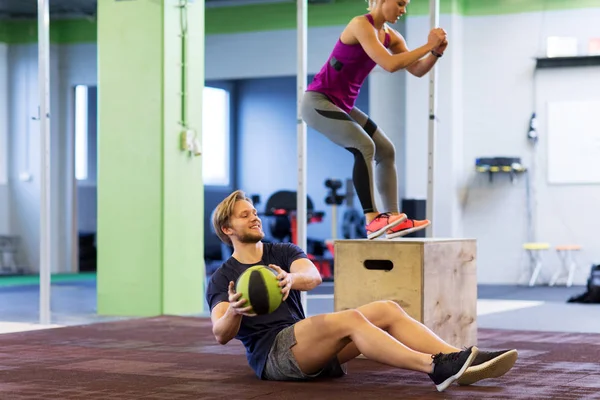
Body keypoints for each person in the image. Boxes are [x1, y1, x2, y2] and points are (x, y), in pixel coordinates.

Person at [206, 190, 518, 392]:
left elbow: (311, 275)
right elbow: (220, 333)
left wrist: (289, 278)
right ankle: (435, 367)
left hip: (310, 347)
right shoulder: (224, 278)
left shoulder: (282, 252)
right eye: (244, 215)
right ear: (228, 229)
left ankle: (460, 361)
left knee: (387, 309)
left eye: (254, 211)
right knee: (353, 319)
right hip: (274, 357)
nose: (255, 217)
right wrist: (235, 309)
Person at [301, 0, 445, 240]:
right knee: (364, 145)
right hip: (318, 102)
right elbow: (389, 64)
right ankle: (372, 219)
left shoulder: (393, 37)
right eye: (399, 3)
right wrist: (428, 44)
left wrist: (436, 52)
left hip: (343, 105)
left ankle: (393, 218)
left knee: (386, 150)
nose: (403, 10)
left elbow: (417, 69)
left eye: (405, 5)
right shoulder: (360, 25)